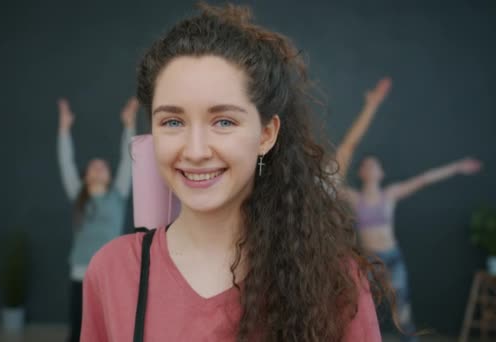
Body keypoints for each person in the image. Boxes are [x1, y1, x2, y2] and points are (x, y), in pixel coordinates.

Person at [81, 4, 389, 341]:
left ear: (267, 134)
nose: (196, 151)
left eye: (224, 121)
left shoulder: (335, 280)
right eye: (172, 122)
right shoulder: (112, 271)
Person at [336, 79, 482, 341]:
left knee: (402, 310)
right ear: (361, 172)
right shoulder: (353, 197)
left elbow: (425, 178)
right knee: (354, 304)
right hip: (369, 261)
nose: (370, 168)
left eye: (374, 165)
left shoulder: (390, 195)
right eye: (366, 165)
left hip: (391, 258)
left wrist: (457, 166)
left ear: (381, 173)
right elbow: (342, 157)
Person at [56, 96, 137, 342]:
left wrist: (129, 125)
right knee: (79, 332)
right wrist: (64, 129)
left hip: (110, 275)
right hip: (81, 274)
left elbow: (127, 158)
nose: (99, 168)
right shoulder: (78, 193)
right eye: (94, 166)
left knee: (110, 332)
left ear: (110, 176)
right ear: (86, 176)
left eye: (103, 166)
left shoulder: (118, 194)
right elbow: (66, 163)